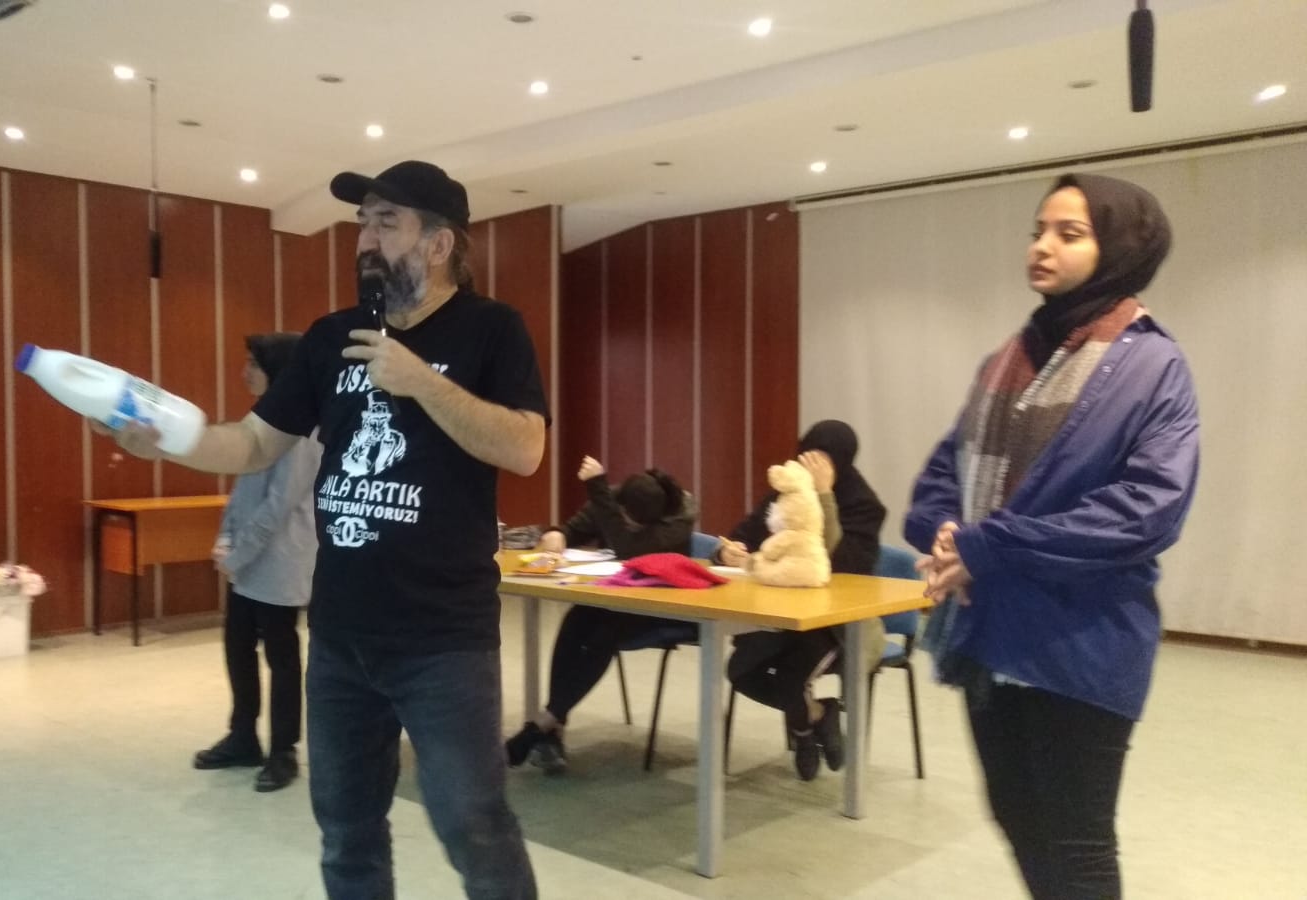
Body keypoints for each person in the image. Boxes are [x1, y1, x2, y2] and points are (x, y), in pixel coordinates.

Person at [101, 161, 545, 899]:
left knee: (475, 827)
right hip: (340, 638)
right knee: (345, 831)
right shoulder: (330, 337)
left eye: (386, 223)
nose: (365, 239)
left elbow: (526, 447)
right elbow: (253, 443)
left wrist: (422, 382)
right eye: (362, 222)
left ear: (439, 244)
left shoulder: (492, 329)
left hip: (444, 640)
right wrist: (168, 442)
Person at [905, 173, 1199, 900]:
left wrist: (987, 547)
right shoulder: (1006, 361)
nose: (1042, 246)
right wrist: (945, 531)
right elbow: (946, 470)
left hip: (1081, 643)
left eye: (1069, 233)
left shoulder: (1152, 365)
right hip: (988, 634)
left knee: (1076, 842)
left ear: (1120, 248)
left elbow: (1147, 511)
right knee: (1017, 816)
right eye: (1038, 230)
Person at [503, 456, 697, 774]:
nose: (630, 525)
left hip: (666, 607)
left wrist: (597, 488)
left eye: (638, 524)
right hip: (616, 597)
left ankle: (543, 725)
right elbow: (577, 528)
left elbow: (629, 547)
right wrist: (559, 534)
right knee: (576, 621)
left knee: (604, 635)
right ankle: (551, 727)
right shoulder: (614, 498)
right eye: (627, 519)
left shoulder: (680, 515)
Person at [717, 421, 886, 780]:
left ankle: (802, 735)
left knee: (792, 675)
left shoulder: (864, 506)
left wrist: (824, 496)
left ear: (841, 463)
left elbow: (841, 565)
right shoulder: (787, 491)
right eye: (807, 457)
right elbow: (745, 534)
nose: (811, 468)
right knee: (740, 672)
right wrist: (730, 551)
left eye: (823, 461)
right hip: (779, 616)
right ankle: (816, 715)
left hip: (836, 624)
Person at [192, 332, 320, 793]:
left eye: (253, 364)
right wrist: (225, 540)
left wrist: (238, 553)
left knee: (282, 657)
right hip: (247, 560)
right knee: (238, 646)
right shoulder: (262, 423)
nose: (244, 371)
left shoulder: (302, 431)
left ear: (278, 372)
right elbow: (243, 491)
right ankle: (243, 735)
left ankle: (284, 750)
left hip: (280, 561)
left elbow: (278, 505)